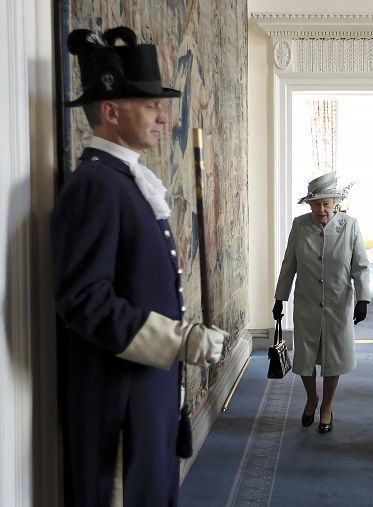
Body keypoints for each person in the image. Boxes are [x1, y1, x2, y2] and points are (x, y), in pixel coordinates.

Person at [51, 26, 227, 506]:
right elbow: (83, 300)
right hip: (117, 399)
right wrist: (180, 339)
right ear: (110, 112)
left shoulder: (124, 181)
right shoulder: (95, 186)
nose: (162, 115)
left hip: (148, 389)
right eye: (150, 105)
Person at [273, 172, 370, 433]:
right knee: (305, 356)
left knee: (333, 357)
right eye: (316, 204)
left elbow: (361, 267)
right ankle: (311, 399)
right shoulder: (300, 225)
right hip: (306, 302)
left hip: (339, 304)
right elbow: (289, 264)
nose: (321, 209)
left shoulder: (350, 226)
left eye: (326, 203)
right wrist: (279, 298)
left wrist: (363, 299)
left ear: (336, 203)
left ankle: (326, 405)